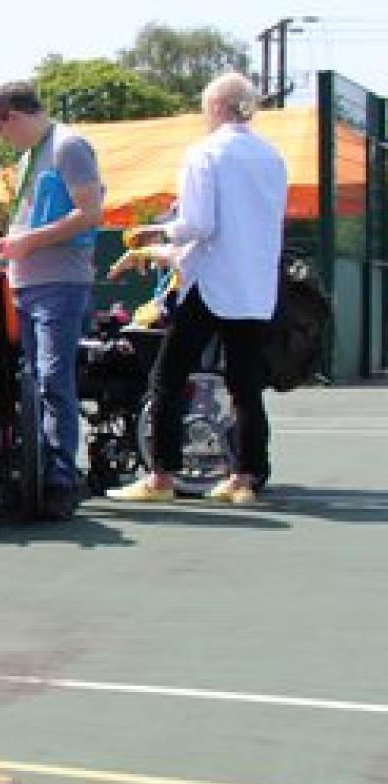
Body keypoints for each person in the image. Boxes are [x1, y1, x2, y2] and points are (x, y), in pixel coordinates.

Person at [105, 72, 287, 506]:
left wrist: (156, 232)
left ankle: (161, 476)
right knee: (245, 385)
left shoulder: (204, 153)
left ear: (217, 107)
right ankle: (247, 477)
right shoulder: (272, 157)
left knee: (167, 377)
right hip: (255, 284)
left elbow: (199, 224)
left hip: (211, 282)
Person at [0, 79, 106, 520]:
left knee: (54, 379)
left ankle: (60, 477)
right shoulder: (31, 155)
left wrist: (29, 242)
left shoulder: (68, 146)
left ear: (11, 117)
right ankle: (39, 469)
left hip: (59, 282)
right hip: (28, 282)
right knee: (34, 378)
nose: (4, 140)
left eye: (1, 131)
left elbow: (90, 213)